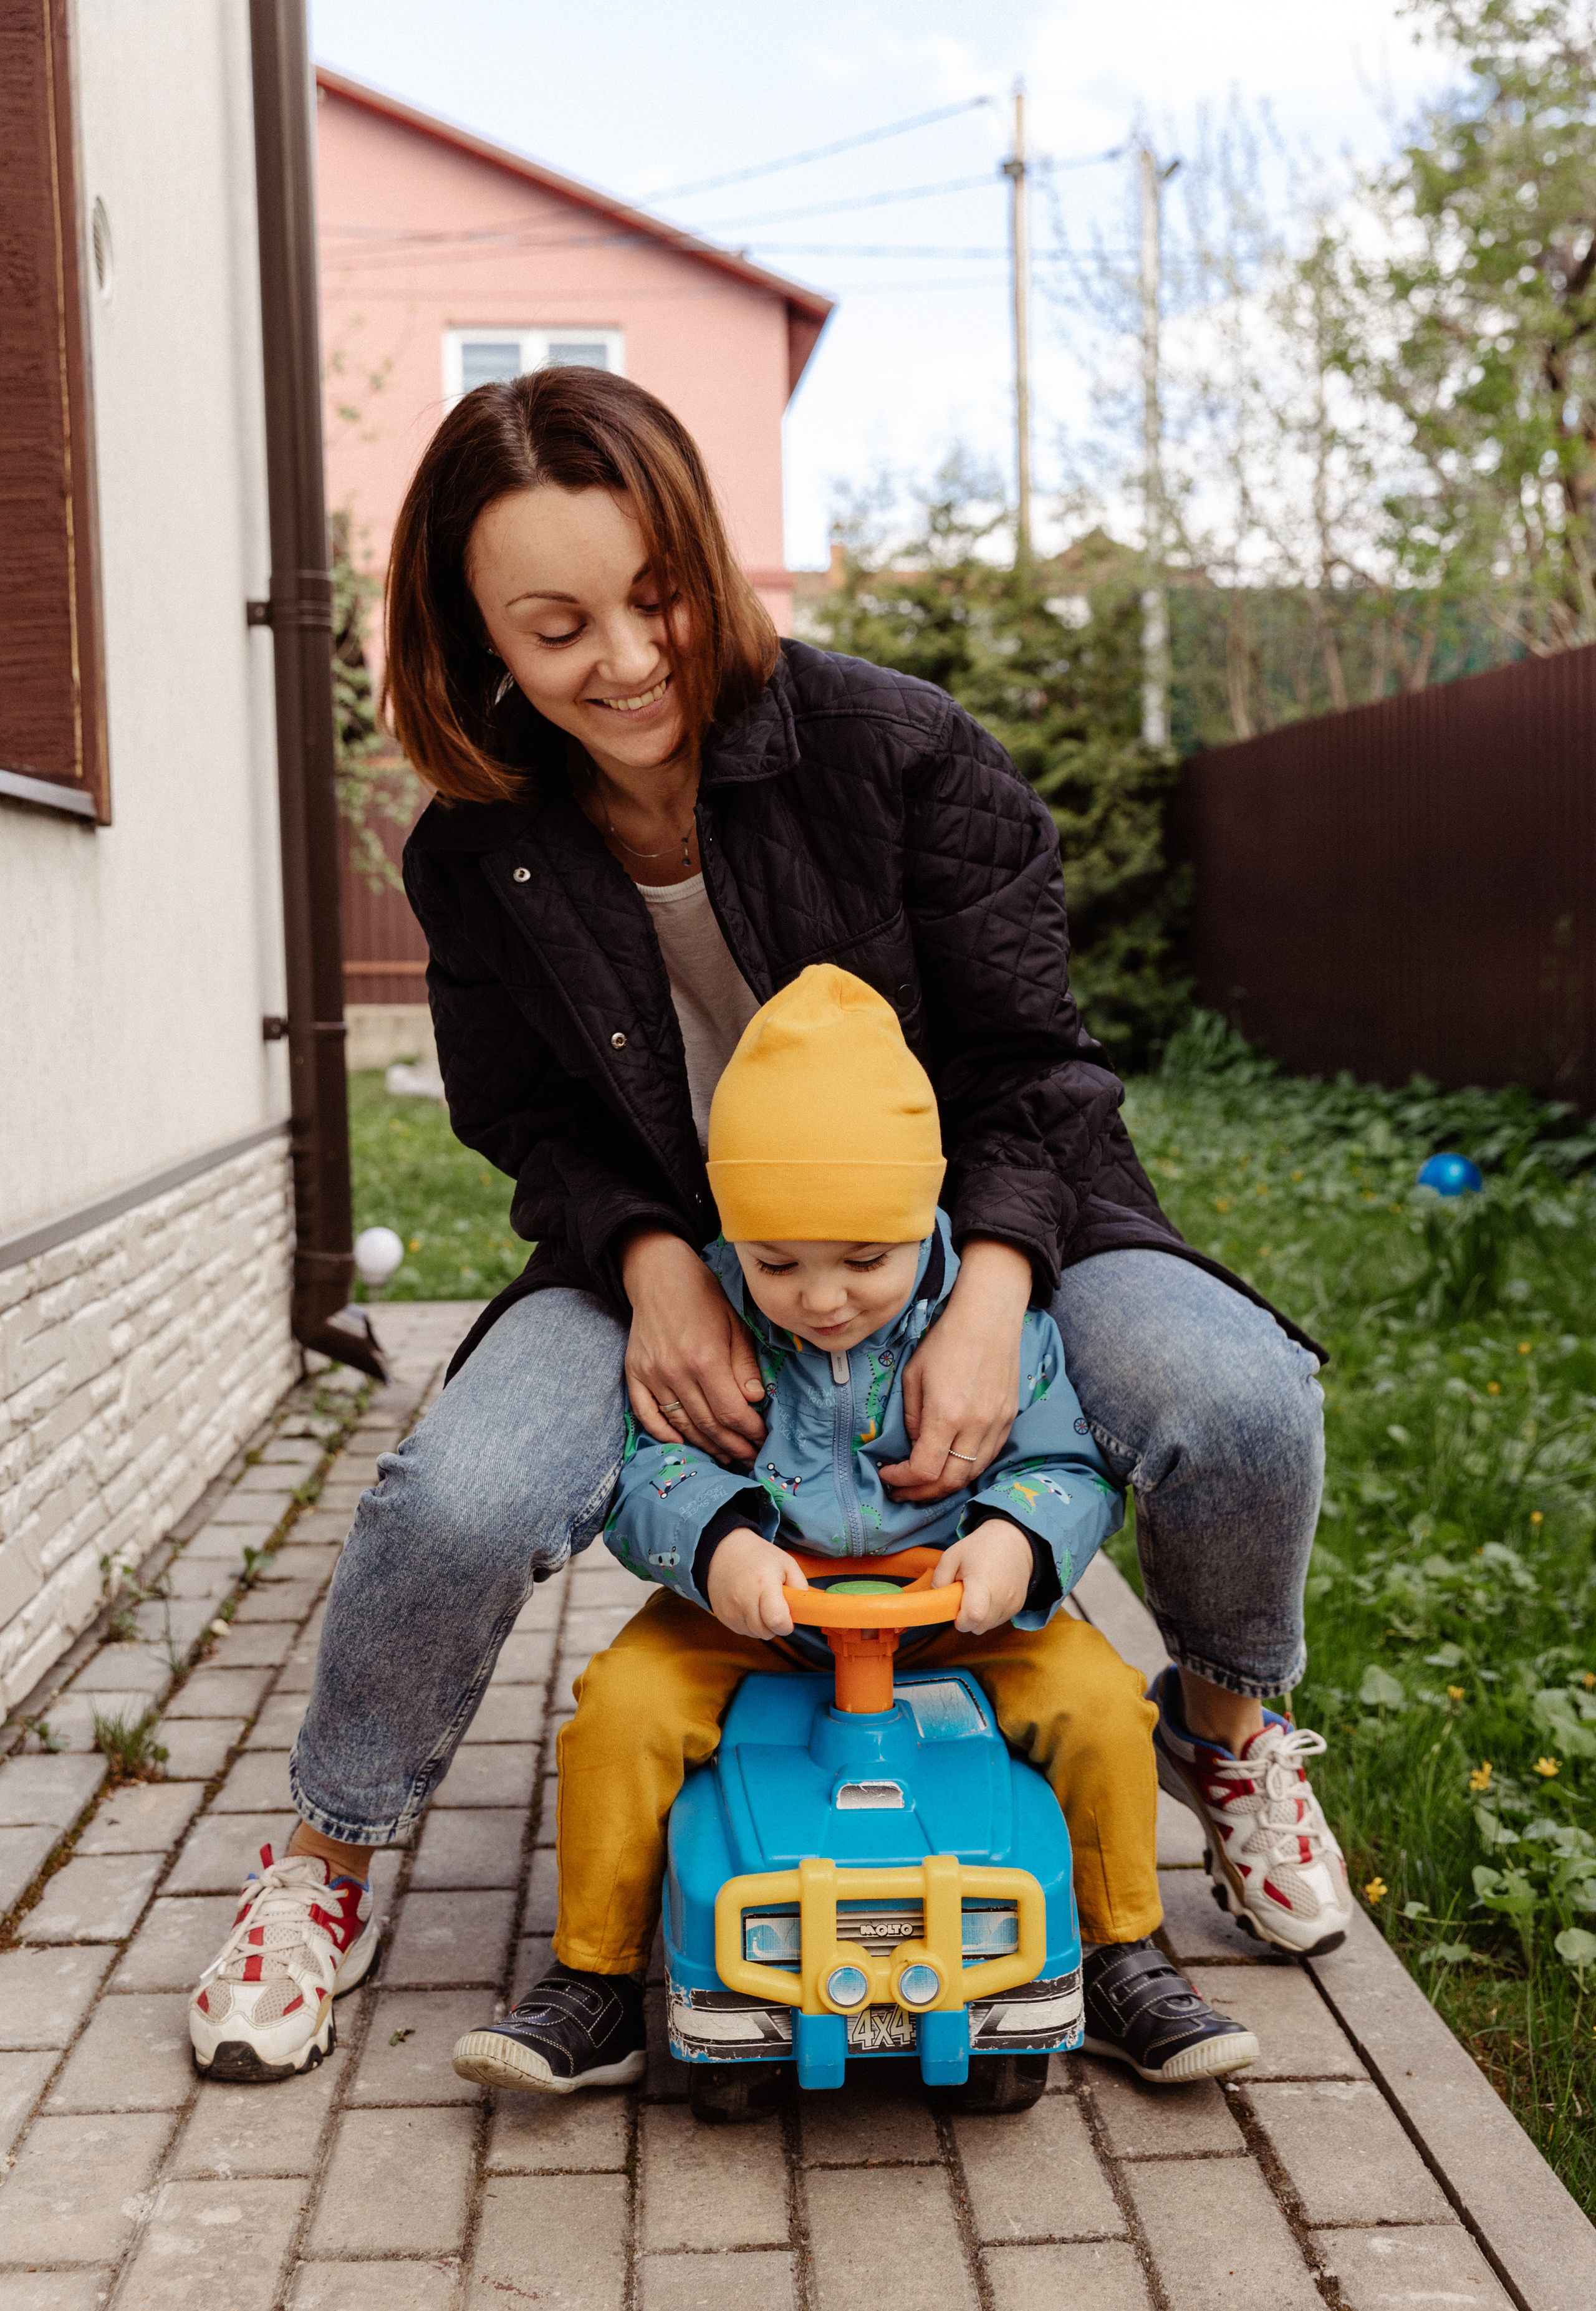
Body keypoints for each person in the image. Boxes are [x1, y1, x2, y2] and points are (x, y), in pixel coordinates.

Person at [185, 365, 1350, 2088]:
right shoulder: (478, 853)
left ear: (704, 565)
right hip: (664, 1241)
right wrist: (657, 1266)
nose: (630, 658)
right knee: (463, 1489)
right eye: (557, 624)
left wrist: (988, 1292)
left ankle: (1229, 1730)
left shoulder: (895, 749)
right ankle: (330, 1864)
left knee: (1238, 1398)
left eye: (654, 595)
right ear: (477, 635)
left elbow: (1040, 1065)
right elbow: (527, 1122)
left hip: (989, 1217)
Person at [449, 964, 1261, 2096]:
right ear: (735, 1233)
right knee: (619, 1715)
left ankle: (1124, 1952)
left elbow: (1068, 1466)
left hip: (957, 1612)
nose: (821, 1299)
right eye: (779, 1261)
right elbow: (647, 1467)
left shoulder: (993, 1325)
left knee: (1102, 1707)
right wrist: (718, 1543)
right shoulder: (719, 1314)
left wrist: (1017, 1545)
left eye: (864, 1262)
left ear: (918, 1218)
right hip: (759, 1614)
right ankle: (593, 1981)